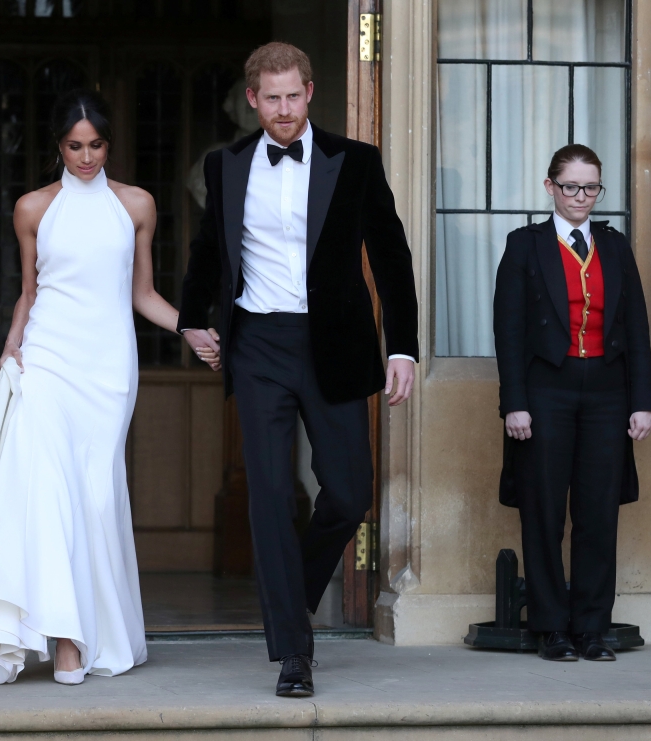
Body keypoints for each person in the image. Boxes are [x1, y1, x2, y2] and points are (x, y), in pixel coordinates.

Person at [0, 89, 220, 686]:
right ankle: (65, 638)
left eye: (96, 144)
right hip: (48, 358)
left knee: (96, 498)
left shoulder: (137, 206)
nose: (86, 156)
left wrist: (190, 327)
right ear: (58, 145)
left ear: (109, 143)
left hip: (108, 367)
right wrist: (11, 345)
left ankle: (95, 630)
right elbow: (29, 291)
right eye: (75, 146)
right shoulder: (32, 209)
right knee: (47, 490)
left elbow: (142, 293)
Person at [177, 42, 419, 698]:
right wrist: (192, 317)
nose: (284, 110)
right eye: (271, 97)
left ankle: (292, 594)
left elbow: (392, 257)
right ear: (252, 99)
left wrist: (403, 346)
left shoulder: (355, 162)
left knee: (347, 494)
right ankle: (294, 648)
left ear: (311, 92)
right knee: (272, 497)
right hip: (258, 344)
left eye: (294, 95)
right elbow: (207, 251)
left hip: (335, 343)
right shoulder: (225, 165)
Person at [494, 144, 651, 662]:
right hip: (546, 392)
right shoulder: (525, 245)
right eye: (571, 187)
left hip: (608, 394)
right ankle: (551, 627)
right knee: (543, 512)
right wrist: (514, 403)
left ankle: (591, 626)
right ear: (550, 188)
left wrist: (642, 401)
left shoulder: (614, 245)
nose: (581, 197)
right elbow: (509, 330)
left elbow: (635, 326)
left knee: (598, 513)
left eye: (591, 187)